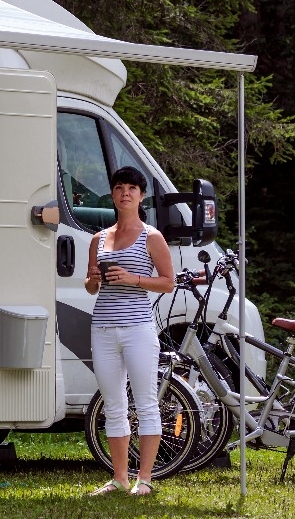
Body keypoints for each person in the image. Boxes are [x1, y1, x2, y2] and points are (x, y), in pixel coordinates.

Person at [84, 166, 175, 497]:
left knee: (146, 403)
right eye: (119, 187)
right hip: (103, 327)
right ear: (112, 194)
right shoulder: (99, 238)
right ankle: (120, 478)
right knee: (113, 404)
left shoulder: (152, 237)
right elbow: (91, 287)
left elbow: (168, 282)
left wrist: (134, 279)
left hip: (138, 327)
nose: (125, 193)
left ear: (141, 195)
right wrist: (94, 278)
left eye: (132, 188)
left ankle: (145, 480)